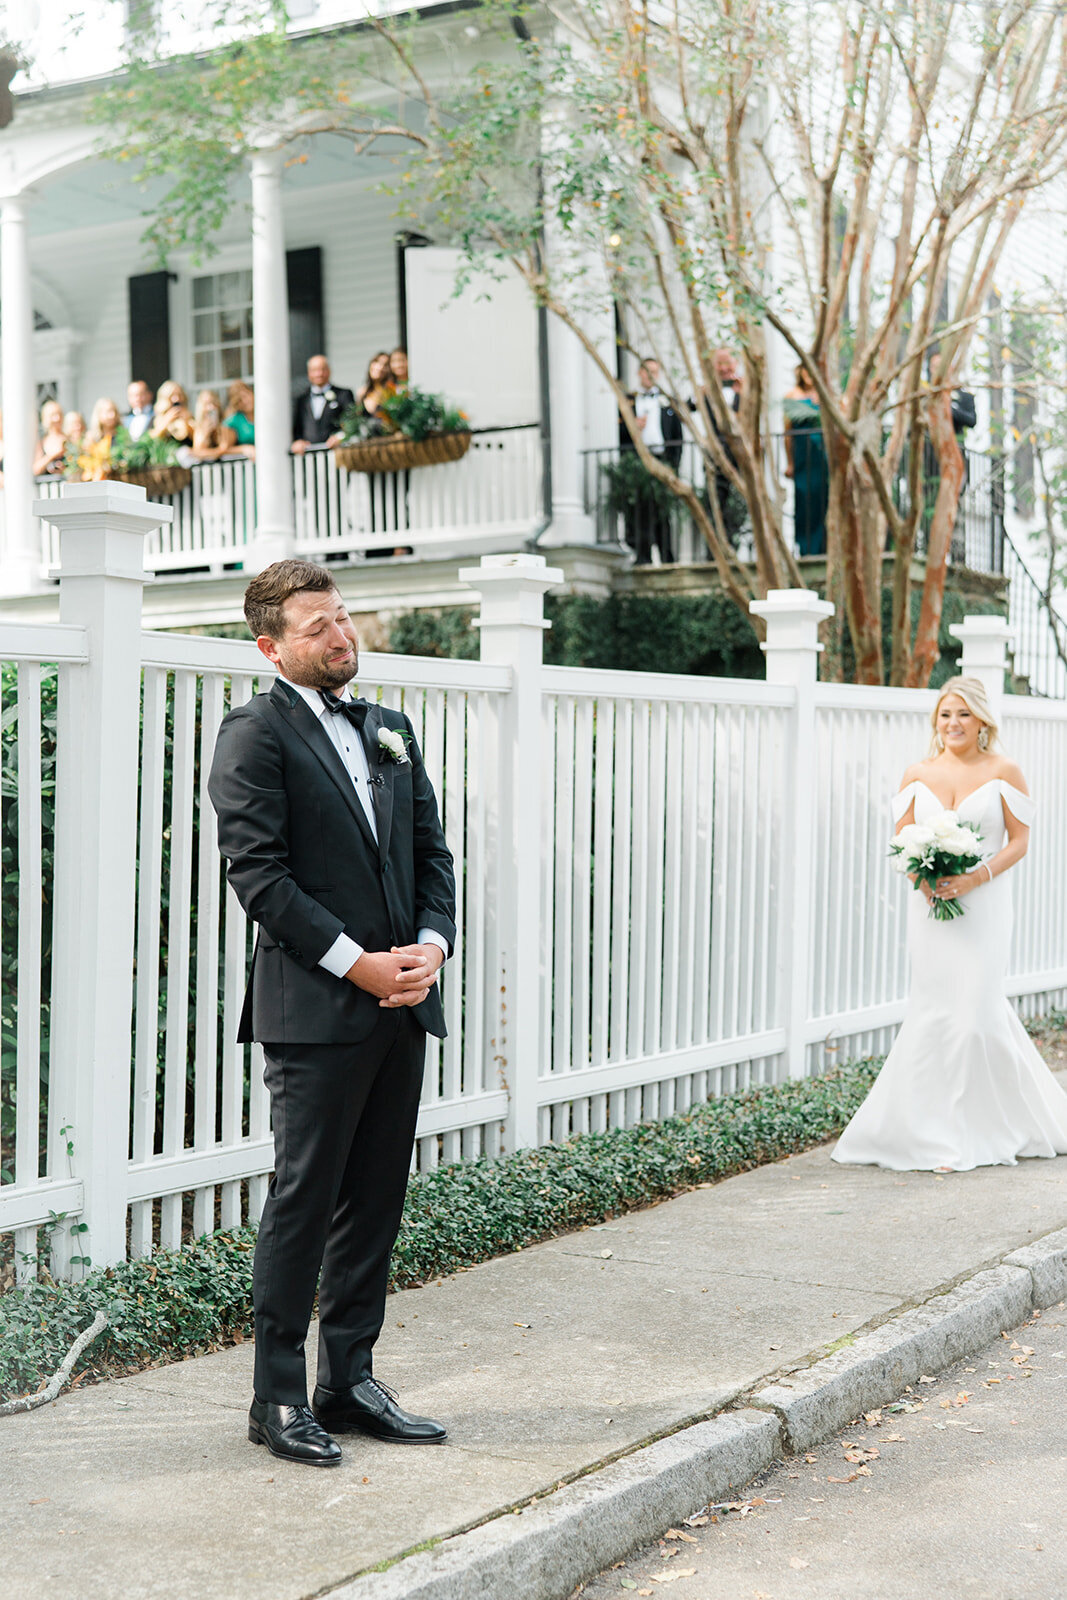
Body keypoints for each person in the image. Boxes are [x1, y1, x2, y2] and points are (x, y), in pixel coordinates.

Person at [207, 560, 456, 1467]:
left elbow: (432, 852)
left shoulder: (390, 728)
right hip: (315, 1010)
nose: (341, 636)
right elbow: (259, 876)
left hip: (402, 1004)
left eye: (344, 619)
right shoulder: (253, 734)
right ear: (271, 645)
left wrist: (430, 947)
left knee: (376, 1200)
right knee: (304, 1202)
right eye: (318, 626)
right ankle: (275, 1398)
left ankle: (346, 1380)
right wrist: (360, 968)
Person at [833, 676, 1067, 1172]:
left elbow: (1020, 841)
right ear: (936, 722)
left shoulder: (1004, 769)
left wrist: (975, 878)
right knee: (934, 1011)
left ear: (981, 720)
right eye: (945, 714)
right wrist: (922, 877)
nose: (953, 723)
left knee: (974, 1014)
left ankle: (965, 1136)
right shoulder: (917, 772)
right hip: (930, 913)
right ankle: (927, 1131)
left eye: (963, 714)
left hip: (984, 910)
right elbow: (902, 841)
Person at [619, 356, 683, 564]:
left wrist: (674, 466)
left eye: (655, 372)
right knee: (641, 508)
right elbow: (618, 434)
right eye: (647, 371)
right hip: (639, 460)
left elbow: (677, 436)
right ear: (639, 373)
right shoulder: (629, 400)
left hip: (662, 459)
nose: (650, 375)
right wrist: (632, 427)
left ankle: (667, 556)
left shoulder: (666, 401)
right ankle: (643, 555)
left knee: (662, 510)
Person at [782, 365, 828, 556]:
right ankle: (806, 548)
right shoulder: (791, 396)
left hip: (822, 457)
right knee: (804, 500)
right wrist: (790, 463)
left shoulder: (824, 394)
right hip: (802, 456)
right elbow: (787, 433)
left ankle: (823, 548)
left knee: (823, 500)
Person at [291, 355, 355, 454]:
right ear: (309, 373)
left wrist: (340, 437)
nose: (319, 374)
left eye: (322, 369)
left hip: (336, 455)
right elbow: (297, 428)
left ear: (329, 371)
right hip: (309, 458)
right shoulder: (301, 399)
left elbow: (353, 422)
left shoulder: (343, 394)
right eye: (314, 370)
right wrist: (297, 441)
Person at [188, 389, 237, 462]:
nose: (211, 408)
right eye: (206, 404)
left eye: (213, 403)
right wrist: (206, 434)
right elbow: (197, 453)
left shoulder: (226, 424)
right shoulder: (198, 428)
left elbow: (225, 449)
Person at [150, 380, 195, 446]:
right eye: (172, 396)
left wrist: (187, 423)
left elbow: (196, 440)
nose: (177, 399)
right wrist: (166, 422)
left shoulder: (189, 417)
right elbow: (151, 439)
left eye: (180, 395)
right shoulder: (156, 419)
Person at [356, 351, 396, 419]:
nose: (380, 367)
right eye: (377, 362)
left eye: (385, 365)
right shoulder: (362, 392)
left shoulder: (392, 391)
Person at [33, 400, 68, 477]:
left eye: (59, 414)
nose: (57, 418)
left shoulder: (69, 439)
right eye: (53, 415)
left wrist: (64, 469)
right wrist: (53, 455)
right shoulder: (42, 443)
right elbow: (36, 469)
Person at [223, 381, 256, 456]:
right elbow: (225, 449)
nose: (245, 402)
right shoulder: (233, 421)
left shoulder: (264, 415)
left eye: (245, 396)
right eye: (239, 400)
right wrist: (244, 448)